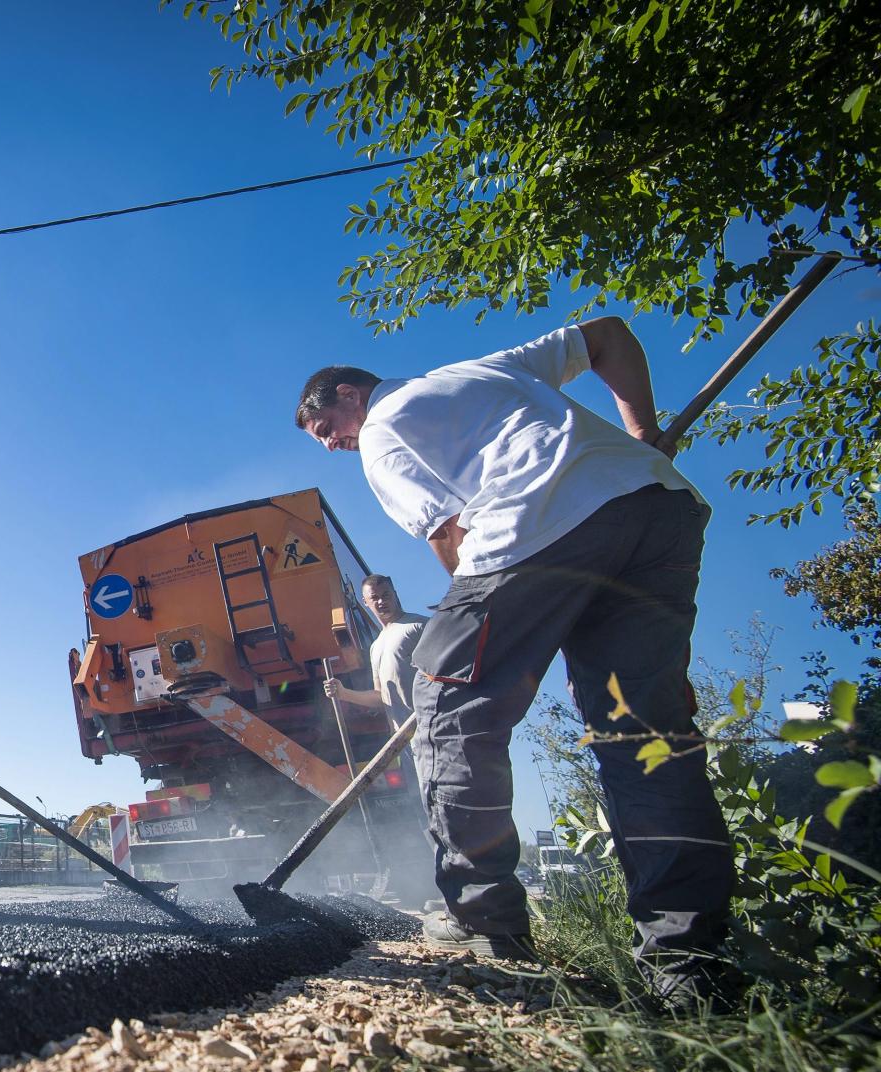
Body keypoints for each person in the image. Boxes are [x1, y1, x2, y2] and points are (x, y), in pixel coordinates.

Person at [295, 318, 733, 1007]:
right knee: (643, 735)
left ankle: (486, 924)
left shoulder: (382, 430)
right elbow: (609, 336)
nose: (336, 445)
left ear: (349, 395)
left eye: (329, 431)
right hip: (654, 509)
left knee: (443, 697)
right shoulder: (489, 370)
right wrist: (642, 434)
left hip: (535, 524)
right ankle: (690, 968)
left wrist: (484, 624)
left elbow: (450, 535)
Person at [324, 573, 428, 736]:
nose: (381, 601)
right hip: (403, 740)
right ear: (365, 602)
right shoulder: (376, 647)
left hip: (434, 729)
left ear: (395, 594)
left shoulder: (419, 626)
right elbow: (380, 697)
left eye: (386, 595)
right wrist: (343, 693)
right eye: (374, 597)